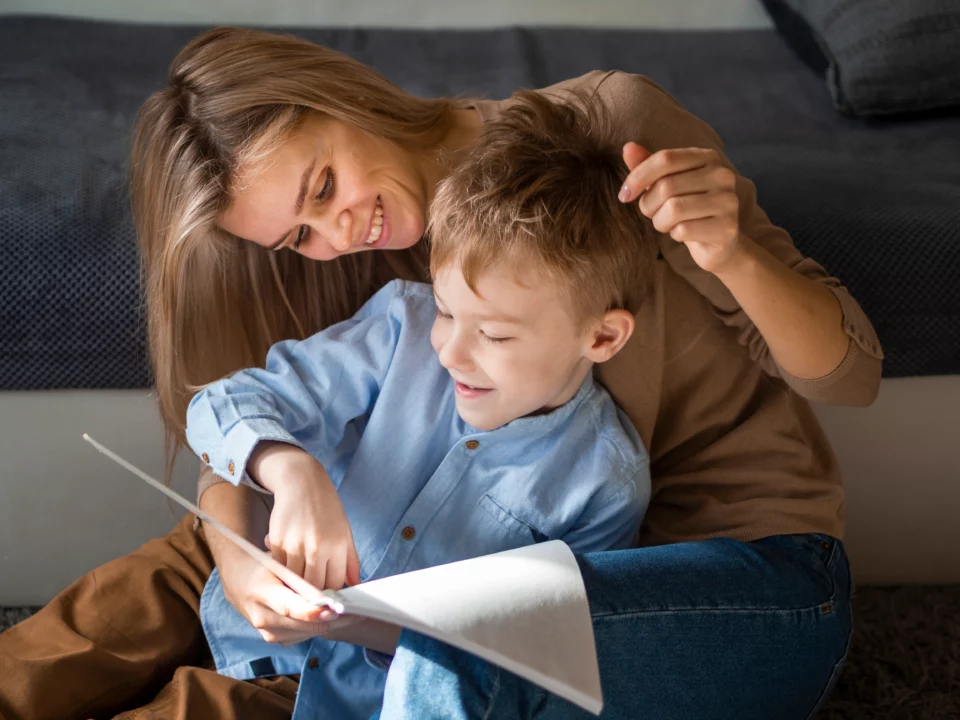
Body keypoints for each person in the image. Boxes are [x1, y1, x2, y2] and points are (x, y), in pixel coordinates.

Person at [0, 25, 882, 720]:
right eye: (299, 234)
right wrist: (236, 544)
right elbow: (266, 406)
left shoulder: (599, 138)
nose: (340, 232)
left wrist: (728, 252)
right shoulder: (364, 265)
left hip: (737, 563)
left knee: (451, 646)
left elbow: (852, 377)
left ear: (338, 97)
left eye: (322, 187)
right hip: (461, 563)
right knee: (191, 558)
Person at [186, 92, 651, 720]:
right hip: (240, 641)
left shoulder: (604, 483)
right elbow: (219, 405)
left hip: (366, 700)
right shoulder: (403, 326)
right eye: (449, 311)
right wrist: (290, 468)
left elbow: (541, 654)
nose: (452, 352)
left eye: (494, 334)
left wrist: (348, 620)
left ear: (600, 338)